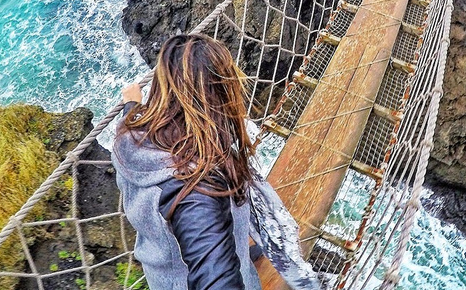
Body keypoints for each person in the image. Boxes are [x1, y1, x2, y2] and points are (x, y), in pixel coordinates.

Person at [112, 33, 320, 290]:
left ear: (163, 90)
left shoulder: (132, 138)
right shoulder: (196, 190)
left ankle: (236, 247)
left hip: (166, 275)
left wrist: (131, 105)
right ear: (219, 96)